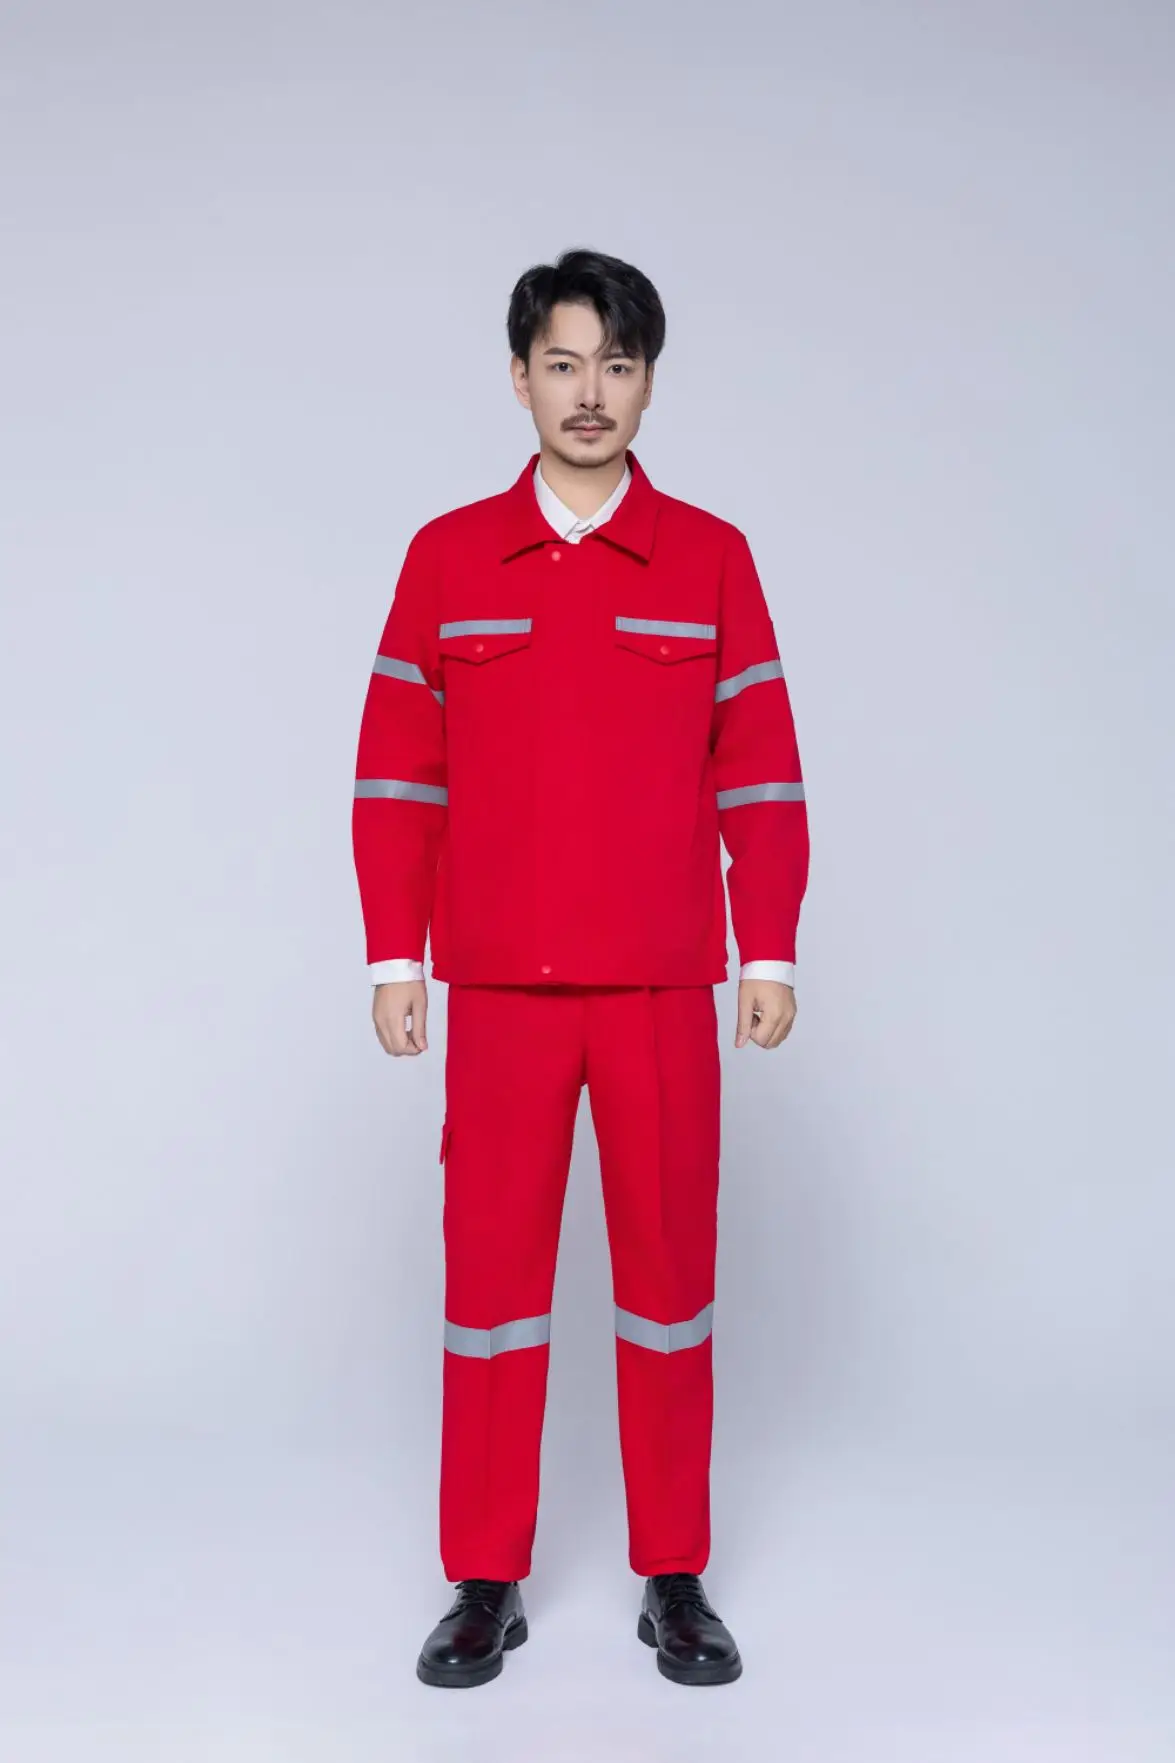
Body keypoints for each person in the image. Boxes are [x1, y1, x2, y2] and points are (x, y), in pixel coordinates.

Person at [351, 247, 809, 1688]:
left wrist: (768, 944)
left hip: (662, 986)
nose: (590, 392)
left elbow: (761, 772)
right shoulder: (445, 560)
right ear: (518, 378)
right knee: (490, 1291)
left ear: (649, 381)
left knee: (671, 1287)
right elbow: (397, 775)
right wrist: (393, 953)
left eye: (617, 364)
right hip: (499, 993)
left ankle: (674, 1573)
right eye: (563, 363)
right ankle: (483, 1579)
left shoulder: (711, 559)